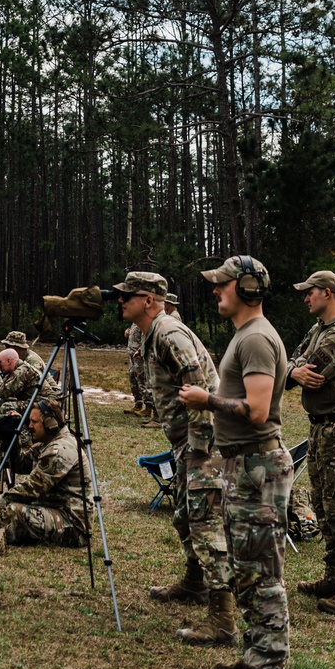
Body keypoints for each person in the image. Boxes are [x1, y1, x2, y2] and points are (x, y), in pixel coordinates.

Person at [180, 255, 293, 669]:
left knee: (262, 573)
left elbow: (259, 410)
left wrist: (207, 399)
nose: (216, 291)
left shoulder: (258, 340)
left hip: (256, 467)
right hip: (243, 465)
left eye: (222, 284)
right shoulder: (245, 336)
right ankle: (255, 656)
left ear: (247, 289)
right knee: (248, 570)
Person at [118, 271, 234, 647]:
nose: (120, 301)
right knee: (184, 515)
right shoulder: (153, 334)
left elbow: (199, 388)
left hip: (206, 440)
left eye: (127, 296)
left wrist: (199, 448)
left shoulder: (169, 334)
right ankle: (194, 583)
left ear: (148, 300)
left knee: (204, 523)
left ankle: (223, 621)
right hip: (189, 440)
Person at [286, 270, 335, 615]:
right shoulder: (319, 330)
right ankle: (333, 577)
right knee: (321, 504)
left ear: (328, 293)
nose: (306, 298)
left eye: (310, 292)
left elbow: (313, 375)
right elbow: (292, 364)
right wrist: (292, 370)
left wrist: (294, 371)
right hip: (321, 429)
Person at [0, 397, 88, 547]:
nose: (30, 426)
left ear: (50, 423)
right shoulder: (49, 443)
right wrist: (13, 434)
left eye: (34, 422)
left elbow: (31, 488)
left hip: (72, 526)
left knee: (13, 511)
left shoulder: (60, 449)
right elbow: (22, 464)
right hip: (54, 510)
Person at [0, 347, 57, 411]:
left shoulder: (22, 371)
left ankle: (19, 424)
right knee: (4, 401)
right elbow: (7, 390)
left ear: (9, 361)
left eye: (0, 362)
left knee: (6, 406)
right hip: (39, 401)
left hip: (46, 403)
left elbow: (2, 392)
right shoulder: (19, 369)